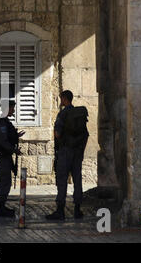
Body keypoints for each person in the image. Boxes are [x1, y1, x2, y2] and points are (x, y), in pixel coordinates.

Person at [46, 90, 89, 221]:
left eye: (61, 98)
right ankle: (77, 210)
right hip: (77, 151)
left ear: (64, 99)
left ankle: (60, 211)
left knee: (62, 179)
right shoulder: (78, 114)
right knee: (77, 179)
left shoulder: (63, 114)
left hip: (65, 151)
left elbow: (58, 134)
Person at [0, 100, 25, 217]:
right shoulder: (2, 123)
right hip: (4, 156)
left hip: (7, 156)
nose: (13, 111)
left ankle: (2, 206)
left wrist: (16, 136)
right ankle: (1, 207)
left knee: (6, 180)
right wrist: (14, 150)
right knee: (4, 180)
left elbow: (7, 137)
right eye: (12, 108)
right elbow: (3, 141)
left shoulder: (6, 122)